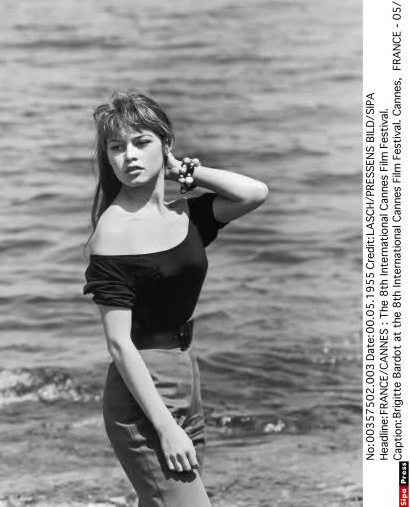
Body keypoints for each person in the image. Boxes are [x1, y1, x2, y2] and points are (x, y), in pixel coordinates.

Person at [83, 91, 268, 507]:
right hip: (143, 393)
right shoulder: (114, 232)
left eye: (141, 142)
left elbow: (254, 193)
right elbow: (119, 343)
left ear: (165, 144)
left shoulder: (185, 215)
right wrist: (165, 426)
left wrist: (186, 170)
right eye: (116, 147)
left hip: (185, 372)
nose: (129, 156)